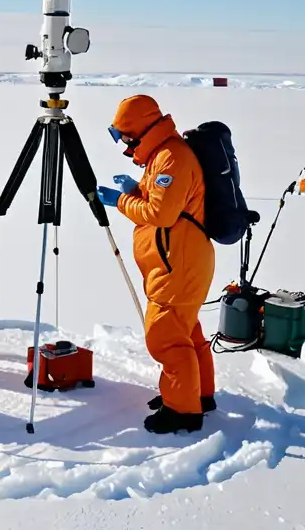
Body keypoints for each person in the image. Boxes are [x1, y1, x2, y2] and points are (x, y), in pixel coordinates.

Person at [96, 94, 216, 434]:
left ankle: (183, 411)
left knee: (165, 338)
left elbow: (161, 215)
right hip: (178, 261)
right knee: (186, 332)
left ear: (139, 130)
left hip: (179, 265)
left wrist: (121, 201)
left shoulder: (171, 158)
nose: (124, 145)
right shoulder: (163, 154)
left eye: (125, 136)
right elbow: (165, 201)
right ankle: (197, 394)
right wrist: (137, 189)